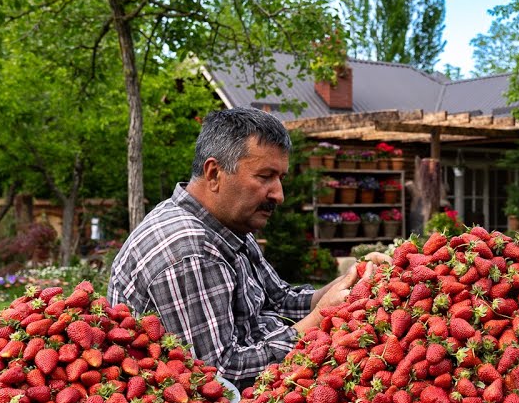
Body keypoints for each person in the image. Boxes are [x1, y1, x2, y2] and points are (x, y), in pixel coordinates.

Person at [109, 107, 366, 387]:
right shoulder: (188, 251)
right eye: (264, 176)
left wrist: (349, 282)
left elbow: (279, 300)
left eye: (281, 178)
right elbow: (219, 377)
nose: (279, 194)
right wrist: (318, 319)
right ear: (214, 173)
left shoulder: (228, 225)